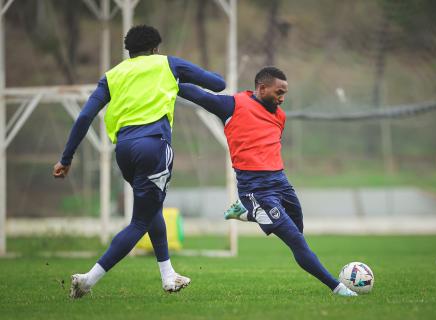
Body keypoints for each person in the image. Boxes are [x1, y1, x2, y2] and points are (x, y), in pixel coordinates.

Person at [52, 25, 226, 299]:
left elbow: (85, 117)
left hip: (124, 150)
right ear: (156, 48)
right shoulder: (167, 64)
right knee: (141, 220)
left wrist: (66, 158)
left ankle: (168, 275)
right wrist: (182, 80)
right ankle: (88, 279)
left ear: (129, 51)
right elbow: (218, 84)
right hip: (153, 145)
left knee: (152, 207)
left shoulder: (112, 75)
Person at [178, 66, 357, 297]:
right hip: (255, 188)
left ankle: (247, 213)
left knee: (298, 231)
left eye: (285, 93)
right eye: (278, 92)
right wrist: (172, 82)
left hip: (281, 182)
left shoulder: (280, 116)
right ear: (262, 88)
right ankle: (337, 287)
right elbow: (199, 95)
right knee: (297, 243)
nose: (282, 98)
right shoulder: (232, 105)